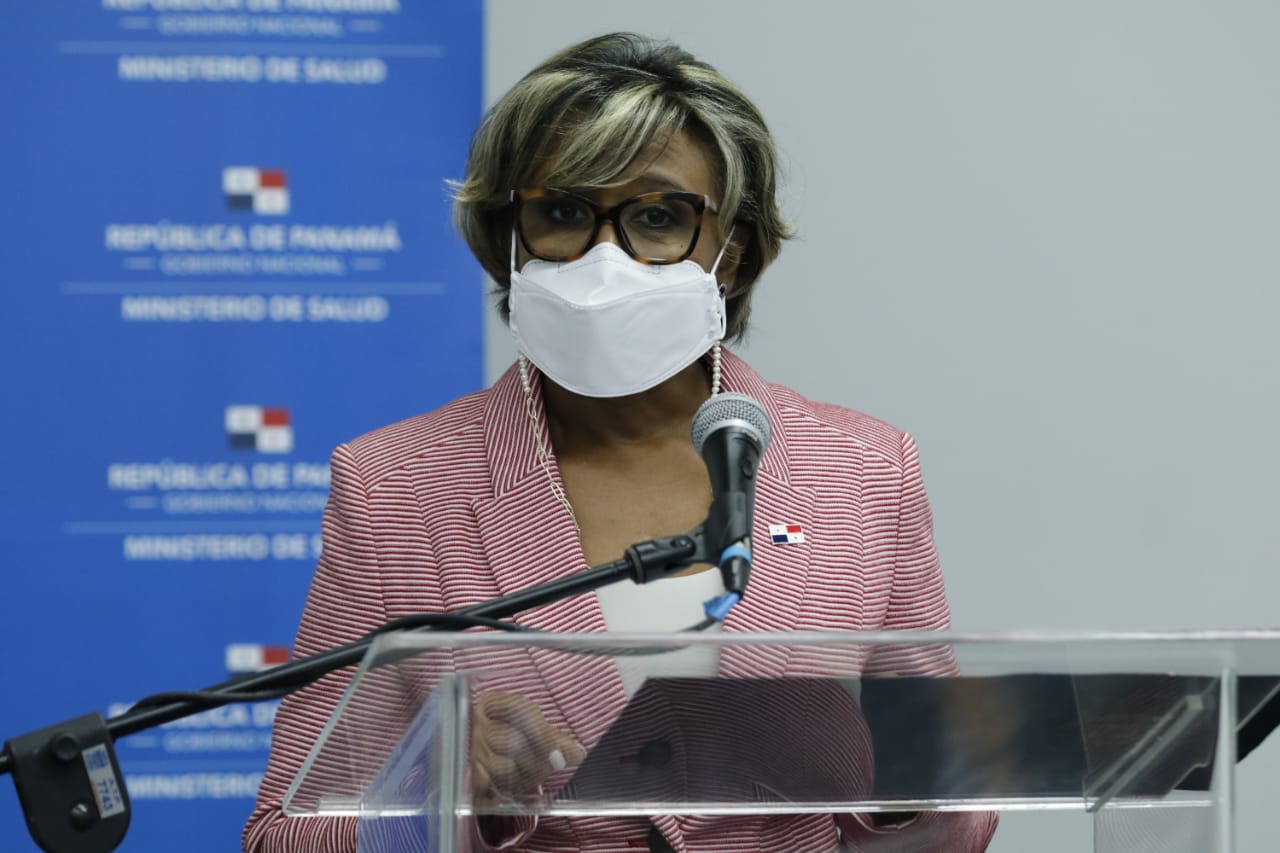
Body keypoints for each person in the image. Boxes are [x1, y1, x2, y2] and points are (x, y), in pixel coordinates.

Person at [243, 32, 998, 853]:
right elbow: (283, 834)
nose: (606, 259)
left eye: (659, 217)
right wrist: (445, 795)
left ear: (733, 251)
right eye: (564, 213)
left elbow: (951, 814)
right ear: (509, 235)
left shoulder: (864, 470)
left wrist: (896, 784)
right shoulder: (393, 487)